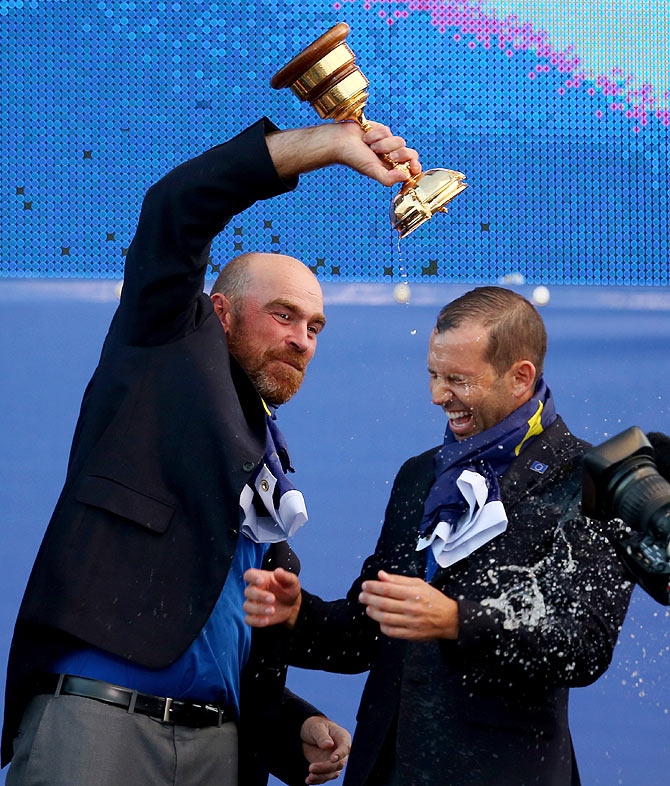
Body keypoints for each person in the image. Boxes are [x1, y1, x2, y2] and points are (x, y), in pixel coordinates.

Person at [2, 116, 421, 786]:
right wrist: (328, 146)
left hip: (216, 752)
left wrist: (290, 725)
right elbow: (177, 205)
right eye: (282, 315)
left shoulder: (267, 457)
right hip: (100, 728)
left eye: (315, 326)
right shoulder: (164, 343)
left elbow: (212, 620)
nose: (303, 339)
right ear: (219, 312)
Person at [244, 286, 634, 786]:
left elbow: (580, 646)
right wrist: (299, 616)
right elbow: (367, 637)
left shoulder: (588, 480)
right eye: (433, 374)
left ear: (520, 377)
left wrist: (455, 620)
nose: (437, 395)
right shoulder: (419, 476)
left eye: (457, 379)